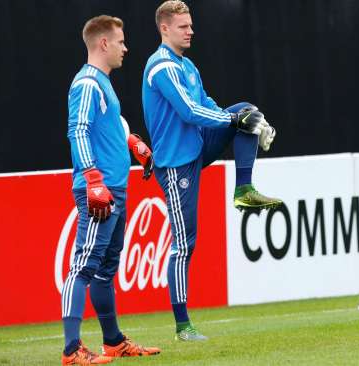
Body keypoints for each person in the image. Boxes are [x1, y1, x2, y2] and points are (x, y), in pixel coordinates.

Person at [141, 0, 282, 341]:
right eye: (183, 26)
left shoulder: (187, 66)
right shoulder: (162, 67)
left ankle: (243, 189)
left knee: (249, 109)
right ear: (164, 28)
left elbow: (207, 105)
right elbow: (189, 111)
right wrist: (233, 120)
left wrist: (244, 120)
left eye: (190, 25)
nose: (191, 31)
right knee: (185, 243)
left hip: (197, 147)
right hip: (175, 163)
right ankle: (182, 325)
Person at [62, 15, 160, 364]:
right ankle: (71, 350)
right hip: (99, 189)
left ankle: (113, 341)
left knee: (105, 269)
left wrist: (131, 141)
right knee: (83, 267)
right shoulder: (87, 83)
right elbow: (78, 130)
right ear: (103, 43)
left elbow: (109, 125)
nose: (125, 47)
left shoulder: (101, 82)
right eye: (120, 41)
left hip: (115, 188)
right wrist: (92, 179)